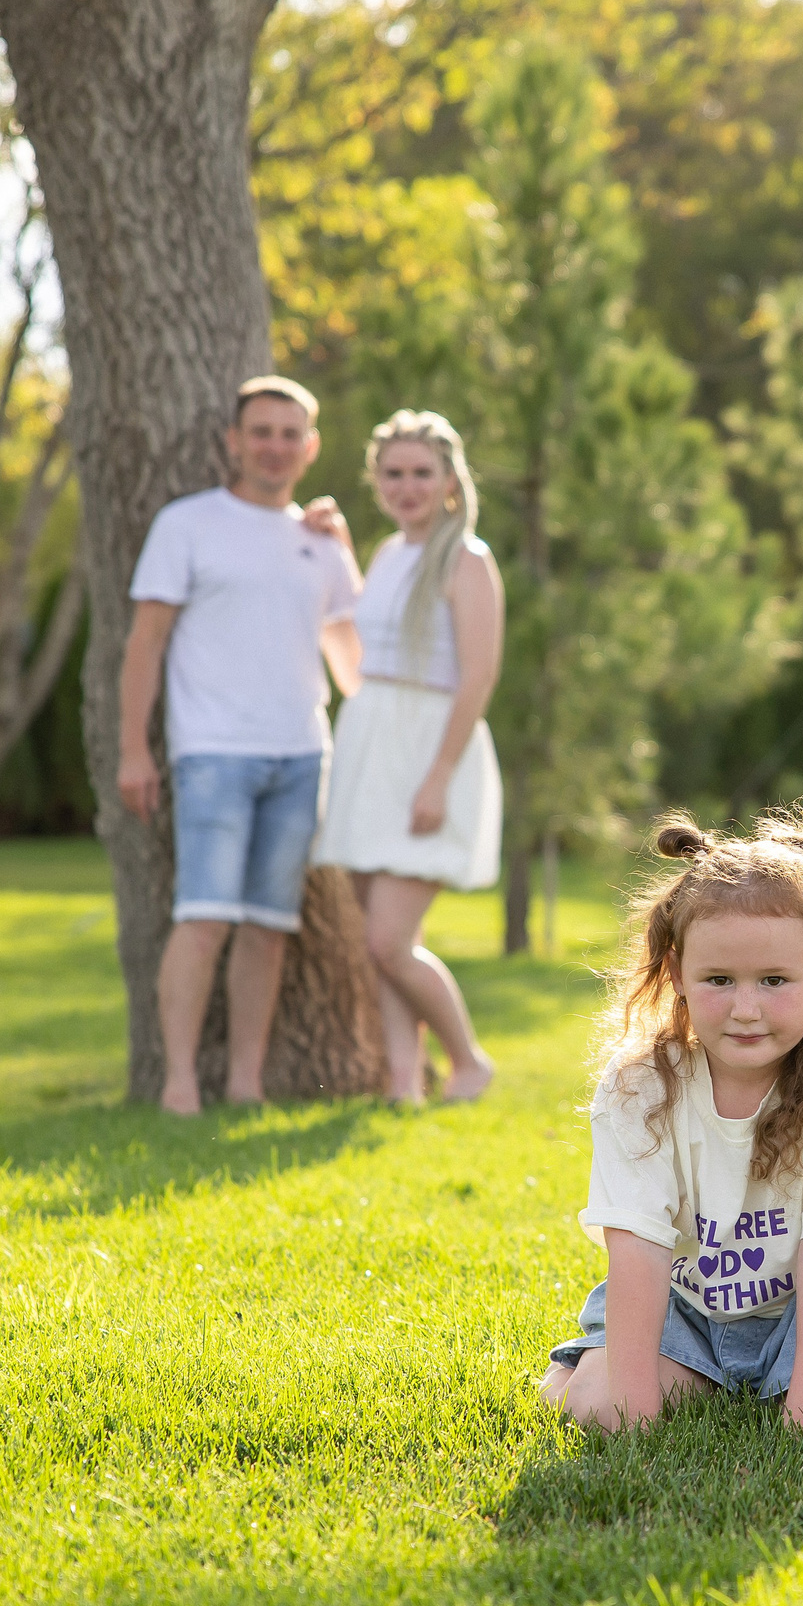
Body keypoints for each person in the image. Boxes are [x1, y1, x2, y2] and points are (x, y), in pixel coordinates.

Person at [539, 814, 803, 1433]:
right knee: (601, 1408)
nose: (746, 1009)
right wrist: (633, 1419)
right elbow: (638, 1253)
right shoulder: (640, 1086)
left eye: (774, 981)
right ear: (676, 974)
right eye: (719, 980)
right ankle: (585, 1373)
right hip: (683, 1305)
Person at [118, 375, 362, 1115]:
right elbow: (145, 642)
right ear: (233, 440)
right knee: (204, 918)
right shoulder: (187, 524)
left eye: (290, 434)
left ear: (310, 448)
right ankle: (178, 1086)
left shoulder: (321, 544)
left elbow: (353, 671)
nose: (274, 446)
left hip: (301, 756)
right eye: (261, 431)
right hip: (212, 753)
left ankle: (245, 1085)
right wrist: (133, 749)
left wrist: (347, 554)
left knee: (269, 928)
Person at [308, 410, 503, 1104]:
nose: (407, 486)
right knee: (380, 940)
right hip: (371, 748)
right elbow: (363, 662)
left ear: (449, 479)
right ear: (377, 480)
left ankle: (469, 1060)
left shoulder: (467, 558)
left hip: (430, 754)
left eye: (422, 472)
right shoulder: (390, 553)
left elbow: (478, 676)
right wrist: (337, 553)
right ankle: (402, 1084)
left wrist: (437, 777)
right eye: (393, 473)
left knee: (388, 940)